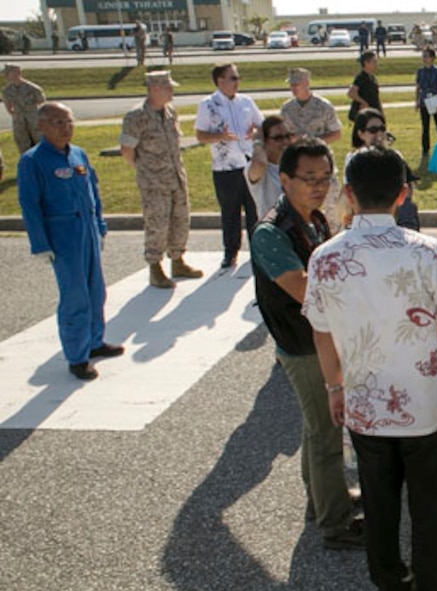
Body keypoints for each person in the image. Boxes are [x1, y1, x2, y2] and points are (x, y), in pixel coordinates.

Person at [304, 145, 437, 591]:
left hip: (366, 409)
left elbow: (322, 334)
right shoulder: (426, 253)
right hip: (424, 408)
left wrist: (334, 387)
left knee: (380, 511)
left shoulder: (325, 258)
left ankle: (392, 590)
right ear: (403, 194)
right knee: (430, 513)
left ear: (347, 193)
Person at [250, 137, 367, 551]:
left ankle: (321, 499)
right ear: (284, 179)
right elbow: (304, 290)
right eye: (308, 178)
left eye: (325, 178)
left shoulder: (313, 218)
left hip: (320, 340)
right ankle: (334, 523)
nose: (319, 186)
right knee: (325, 433)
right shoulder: (271, 232)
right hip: (302, 347)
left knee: (315, 426)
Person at [18, 102, 124, 381]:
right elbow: (29, 204)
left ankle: (95, 341)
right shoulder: (33, 160)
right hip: (62, 233)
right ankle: (77, 357)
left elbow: (93, 192)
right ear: (41, 126)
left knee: (96, 289)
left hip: (87, 227)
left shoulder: (78, 154)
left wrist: (100, 225)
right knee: (75, 295)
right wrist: (40, 243)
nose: (66, 128)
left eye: (69, 122)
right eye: (57, 123)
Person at [119, 71, 204, 289]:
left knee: (180, 219)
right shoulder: (136, 117)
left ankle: (178, 260)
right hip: (154, 182)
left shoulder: (170, 112)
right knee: (157, 224)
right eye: (168, 87)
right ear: (154, 89)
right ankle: (155, 268)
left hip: (176, 177)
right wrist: (145, 171)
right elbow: (127, 150)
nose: (172, 91)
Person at [194, 63, 263, 268]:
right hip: (225, 167)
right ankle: (230, 252)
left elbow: (262, 125)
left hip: (249, 165)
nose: (237, 82)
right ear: (220, 81)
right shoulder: (208, 104)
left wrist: (256, 132)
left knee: (255, 210)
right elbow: (200, 135)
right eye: (233, 78)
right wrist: (220, 136)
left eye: (238, 77)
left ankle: (258, 250)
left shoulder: (246, 102)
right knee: (230, 212)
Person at [281, 67, 343, 227]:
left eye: (297, 84)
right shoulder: (287, 109)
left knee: (332, 214)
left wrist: (313, 142)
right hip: (299, 170)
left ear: (307, 83)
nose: (293, 88)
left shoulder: (323, 106)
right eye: (291, 85)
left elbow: (336, 133)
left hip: (322, 165)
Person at [247, 115, 293, 219]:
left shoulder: (294, 165)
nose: (285, 141)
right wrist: (257, 142)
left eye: (288, 136)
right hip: (273, 230)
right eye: (278, 138)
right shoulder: (257, 168)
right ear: (265, 140)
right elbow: (260, 163)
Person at [3, 63, 47, 154]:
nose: (6, 75)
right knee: (22, 143)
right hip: (19, 120)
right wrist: (16, 114)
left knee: (39, 141)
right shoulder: (7, 90)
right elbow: (8, 105)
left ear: (17, 73)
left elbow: (41, 101)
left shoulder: (33, 88)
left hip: (33, 118)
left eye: (8, 73)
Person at [415, 48, 437, 158]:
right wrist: (417, 101)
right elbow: (418, 87)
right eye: (423, 56)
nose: (424, 58)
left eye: (427, 56)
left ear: (432, 58)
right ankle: (425, 149)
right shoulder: (420, 71)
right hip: (424, 101)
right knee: (425, 126)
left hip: (435, 100)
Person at [347, 50, 381, 123]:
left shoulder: (372, 77)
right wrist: (363, 103)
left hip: (374, 113)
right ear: (366, 63)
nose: (376, 64)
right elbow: (351, 93)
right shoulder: (361, 77)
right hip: (365, 115)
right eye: (374, 62)